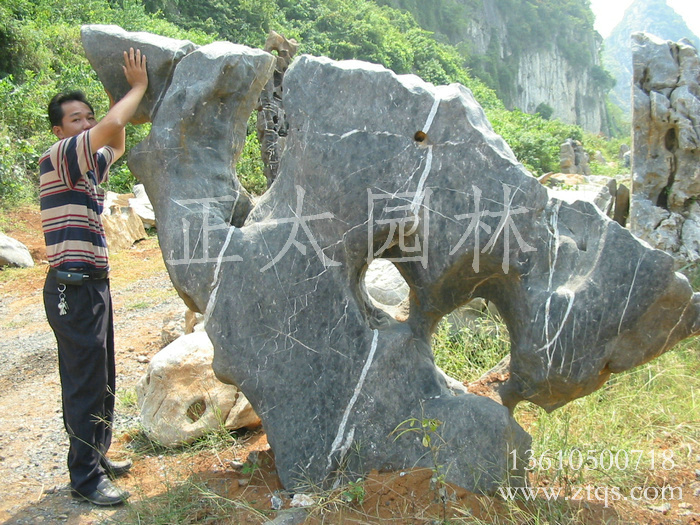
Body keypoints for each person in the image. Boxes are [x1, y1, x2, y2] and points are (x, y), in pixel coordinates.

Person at [40, 48, 148, 507]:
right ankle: (83, 479)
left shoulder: (86, 169)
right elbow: (109, 131)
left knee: (103, 375)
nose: (85, 125)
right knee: (84, 382)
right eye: (76, 120)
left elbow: (117, 144)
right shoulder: (59, 158)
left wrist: (115, 103)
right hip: (71, 286)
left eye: (88, 117)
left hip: (94, 284)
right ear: (59, 130)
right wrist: (136, 89)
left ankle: (97, 455)